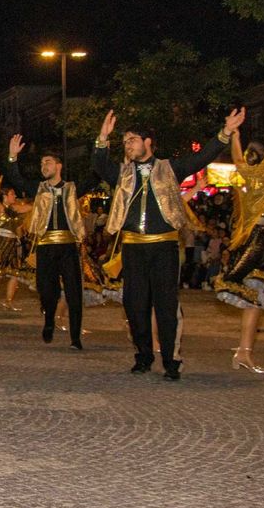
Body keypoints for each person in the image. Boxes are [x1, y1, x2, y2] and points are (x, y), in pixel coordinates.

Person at [92, 107, 245, 380]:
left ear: (148, 142)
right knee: (134, 304)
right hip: (132, 247)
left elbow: (201, 158)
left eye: (132, 140)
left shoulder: (169, 168)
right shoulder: (122, 173)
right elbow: (99, 166)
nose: (127, 145)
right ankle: (143, 355)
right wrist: (102, 139)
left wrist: (224, 133)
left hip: (163, 247)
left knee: (165, 305)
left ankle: (171, 360)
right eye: (124, 141)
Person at [7, 135, 97, 349]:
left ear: (58, 165)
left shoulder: (72, 188)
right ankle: (49, 320)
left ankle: (75, 338)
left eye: (47, 162)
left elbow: (94, 176)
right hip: (45, 247)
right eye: (41, 163)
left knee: (75, 292)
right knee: (46, 291)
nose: (43, 166)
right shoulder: (38, 189)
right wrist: (12, 156)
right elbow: (16, 178)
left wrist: (100, 147)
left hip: (68, 247)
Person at [213, 130, 264, 374]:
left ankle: (244, 352)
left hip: (263, 239)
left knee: (255, 299)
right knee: (256, 297)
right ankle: (244, 352)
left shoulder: (257, 174)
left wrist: (235, 139)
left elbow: (239, 162)